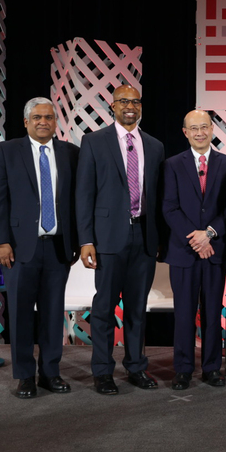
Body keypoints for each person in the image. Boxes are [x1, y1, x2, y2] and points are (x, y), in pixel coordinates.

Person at [0, 97, 80, 399]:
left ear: (56, 122)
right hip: (17, 249)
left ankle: (50, 372)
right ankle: (25, 375)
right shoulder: (7, 151)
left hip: (58, 248)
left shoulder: (71, 154)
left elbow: (79, 200)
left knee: (53, 314)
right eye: (37, 117)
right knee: (21, 314)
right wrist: (0, 241)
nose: (43, 122)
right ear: (26, 122)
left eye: (49, 117)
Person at [76, 84, 165, 395]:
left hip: (144, 236)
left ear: (141, 107)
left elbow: (159, 197)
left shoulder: (154, 146)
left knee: (137, 309)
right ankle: (102, 371)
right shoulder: (94, 142)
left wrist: (160, 239)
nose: (130, 106)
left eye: (135, 101)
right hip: (108, 238)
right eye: (123, 101)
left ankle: (136, 367)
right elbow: (84, 194)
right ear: (112, 106)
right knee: (104, 308)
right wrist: (86, 239)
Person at [162, 109, 226, 390]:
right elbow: (169, 207)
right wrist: (195, 238)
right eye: (194, 128)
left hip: (215, 250)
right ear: (185, 132)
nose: (200, 132)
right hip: (183, 251)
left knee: (213, 311)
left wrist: (210, 234)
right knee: (184, 313)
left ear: (213, 129)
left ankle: (212, 367)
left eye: (204, 127)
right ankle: (182, 369)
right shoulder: (172, 164)